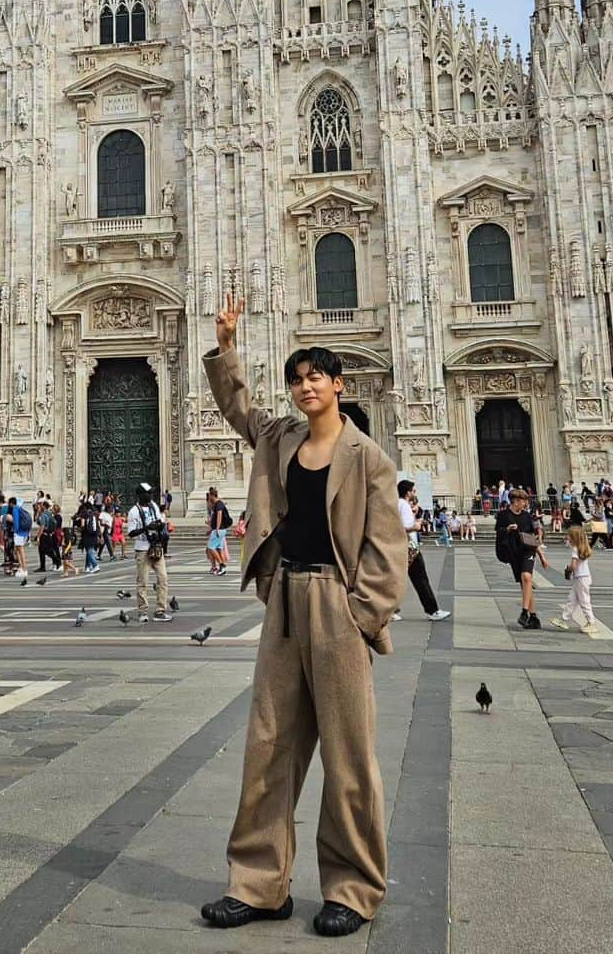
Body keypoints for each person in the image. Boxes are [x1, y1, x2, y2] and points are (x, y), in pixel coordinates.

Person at [200, 294, 406, 938]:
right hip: (285, 599)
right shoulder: (279, 437)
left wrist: (360, 611)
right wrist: (227, 345)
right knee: (269, 746)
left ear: (338, 384)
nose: (305, 386)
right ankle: (260, 885)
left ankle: (351, 888)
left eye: (316, 375)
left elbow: (387, 547)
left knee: (348, 754)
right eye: (297, 378)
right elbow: (239, 407)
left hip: (336, 606)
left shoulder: (368, 457)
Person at [396, 481, 450, 622]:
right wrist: (418, 525)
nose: (415, 493)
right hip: (410, 548)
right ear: (408, 492)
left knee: (396, 580)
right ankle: (433, 610)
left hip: (402, 547)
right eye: (413, 491)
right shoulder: (404, 505)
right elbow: (406, 526)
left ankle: (390, 610)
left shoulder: (398, 504)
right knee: (421, 580)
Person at [496, 487, 547, 629]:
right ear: (516, 501)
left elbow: (532, 538)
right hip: (514, 552)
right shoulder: (503, 516)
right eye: (524, 501)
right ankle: (534, 617)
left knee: (526, 577)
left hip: (528, 551)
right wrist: (507, 529)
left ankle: (524, 612)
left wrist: (541, 555)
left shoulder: (527, 516)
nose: (525, 504)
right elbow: (498, 533)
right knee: (525, 584)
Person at [128, 482, 172, 623]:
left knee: (163, 578)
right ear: (141, 495)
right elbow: (131, 533)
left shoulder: (154, 506)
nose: (151, 495)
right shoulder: (133, 511)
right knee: (143, 582)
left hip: (156, 547)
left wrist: (159, 526)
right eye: (148, 493)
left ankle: (160, 610)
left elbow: (160, 521)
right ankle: (143, 611)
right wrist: (146, 528)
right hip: (142, 549)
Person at [550, 525, 597, 633]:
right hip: (583, 577)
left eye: (569, 536)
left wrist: (568, 569)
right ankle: (563, 619)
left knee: (584, 601)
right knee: (572, 599)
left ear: (574, 537)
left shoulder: (575, 549)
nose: (567, 537)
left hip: (581, 578)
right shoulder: (582, 548)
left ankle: (591, 622)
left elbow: (573, 565)